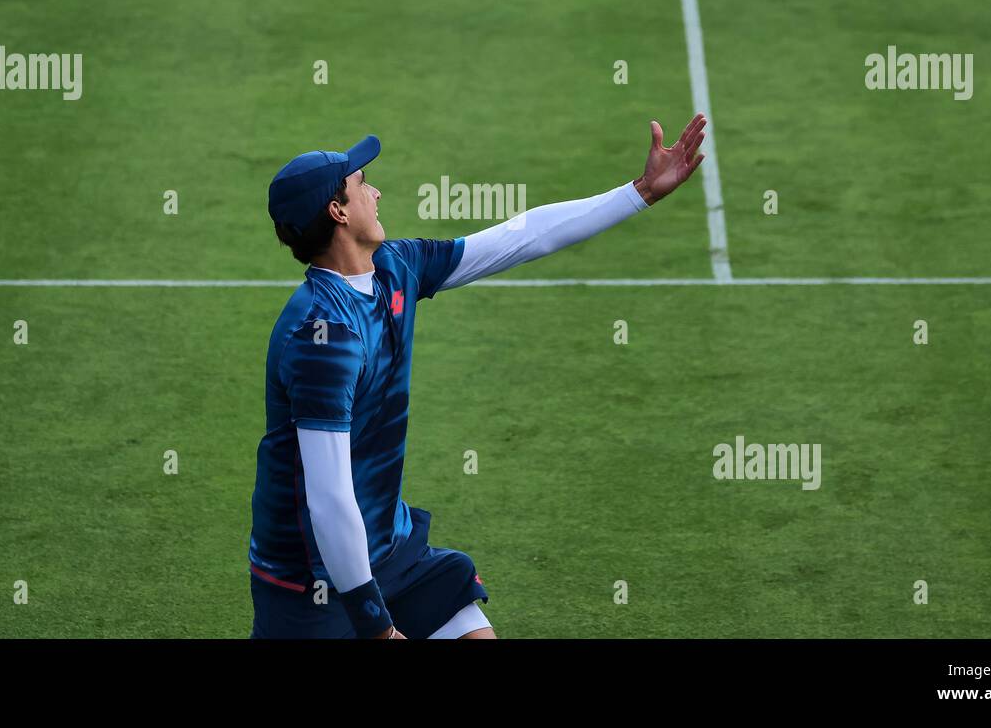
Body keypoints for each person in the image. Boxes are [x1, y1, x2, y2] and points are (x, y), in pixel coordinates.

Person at [249, 114, 708, 638]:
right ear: (337, 210)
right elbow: (328, 499)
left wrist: (640, 192)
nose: (376, 192)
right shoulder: (321, 337)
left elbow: (520, 238)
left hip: (389, 546)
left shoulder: (396, 268)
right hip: (315, 583)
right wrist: (377, 626)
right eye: (361, 185)